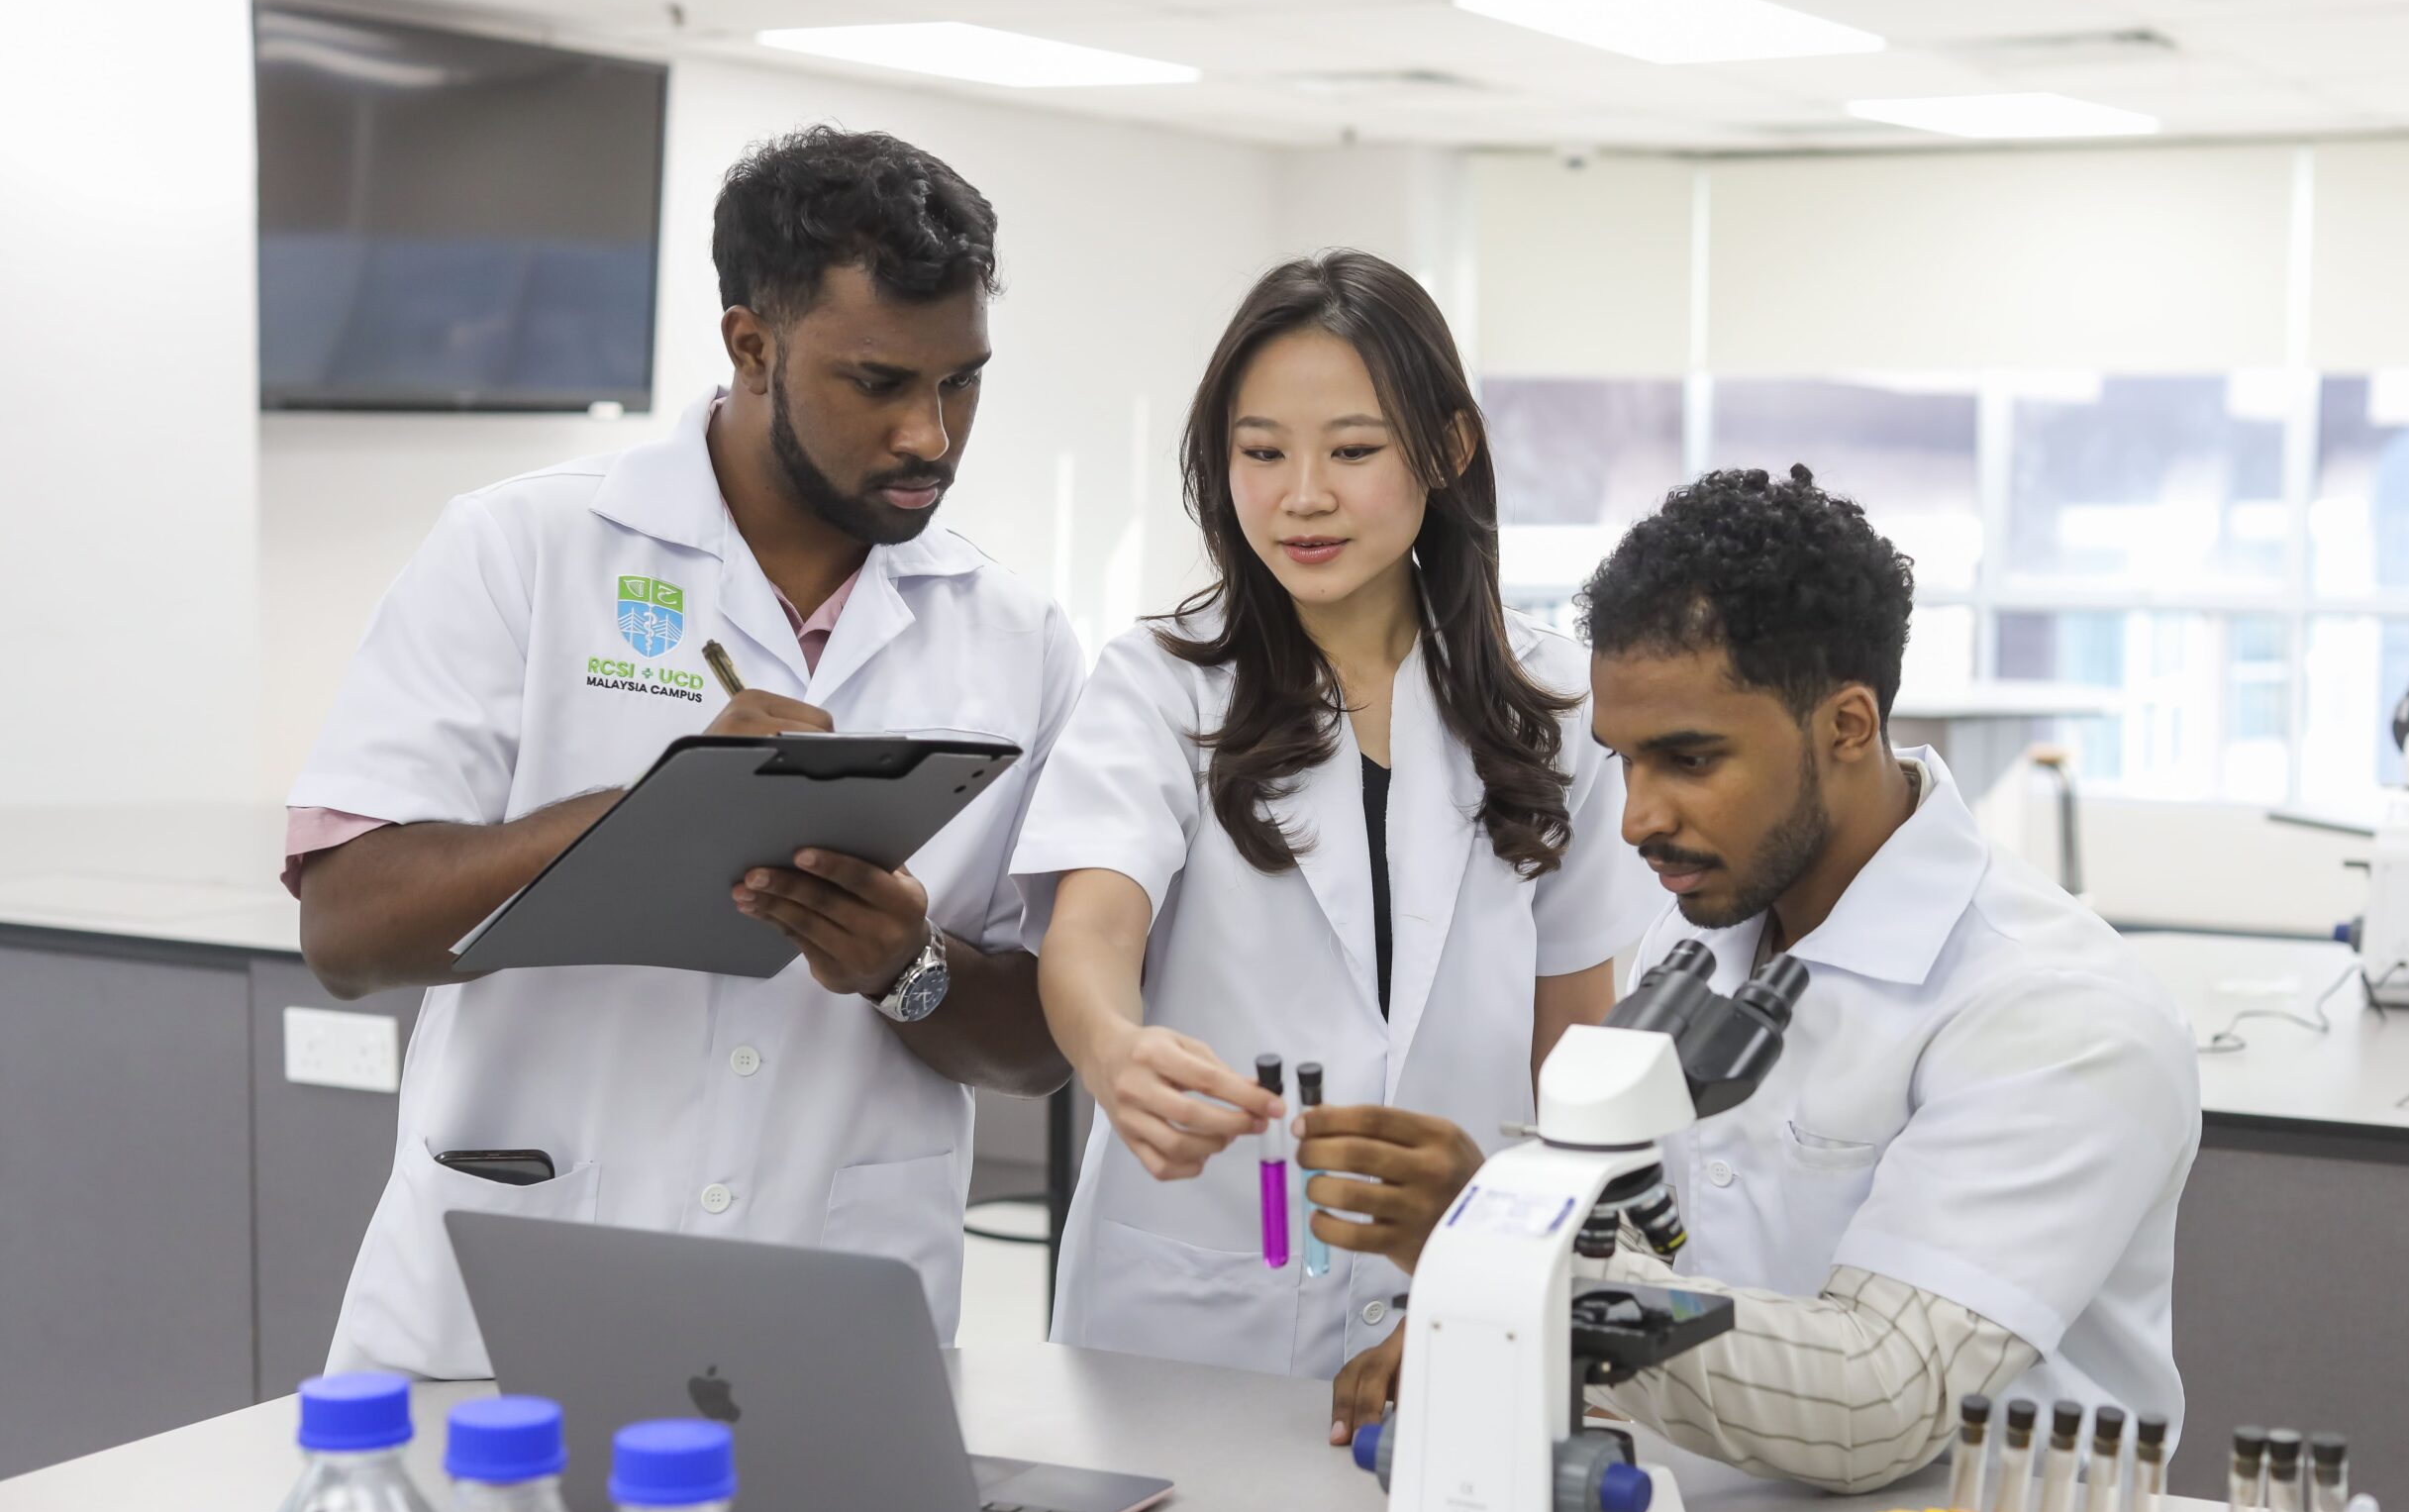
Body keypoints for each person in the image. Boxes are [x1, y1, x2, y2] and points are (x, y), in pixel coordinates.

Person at [287, 127, 1081, 1376]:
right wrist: (651, 812)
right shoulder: (523, 549)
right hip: (509, 1306)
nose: (931, 435)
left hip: (828, 1319)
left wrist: (905, 963)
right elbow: (346, 930)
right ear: (751, 347)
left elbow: (1041, 1042)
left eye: (962, 381)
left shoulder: (1014, 636)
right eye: (878, 383)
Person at [1313, 465, 2201, 1490]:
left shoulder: (2057, 1012)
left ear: (1848, 727)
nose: (1636, 816)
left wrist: (1516, 1262)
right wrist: (1493, 1325)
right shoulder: (1691, 939)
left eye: (1688, 761)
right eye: (1624, 760)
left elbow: (1884, 1396)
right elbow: (1655, 1265)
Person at [1011, 251, 1660, 1378]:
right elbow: (1091, 930)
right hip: (1197, 1292)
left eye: (1353, 452)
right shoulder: (1162, 684)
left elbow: (1573, 1037)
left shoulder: (1556, 708)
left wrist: (1530, 1260)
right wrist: (1113, 1052)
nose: (1301, 495)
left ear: (1446, 451)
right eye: (1261, 453)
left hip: (1456, 1289)